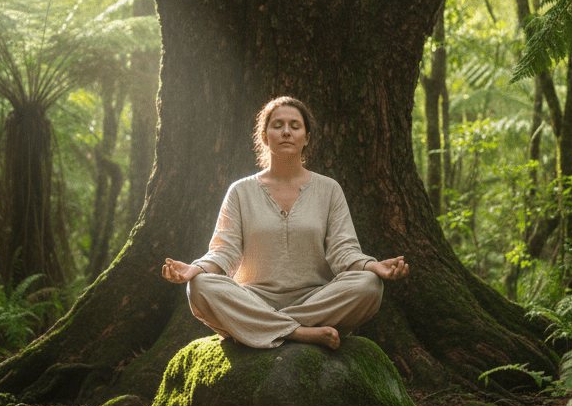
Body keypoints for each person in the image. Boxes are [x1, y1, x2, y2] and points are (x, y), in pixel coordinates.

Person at [161, 96, 408, 349]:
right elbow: (225, 251)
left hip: (315, 299)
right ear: (265, 136)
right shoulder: (240, 191)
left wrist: (373, 266)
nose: (286, 132)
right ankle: (300, 333)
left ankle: (259, 327)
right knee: (200, 286)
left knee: (369, 285)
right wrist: (195, 269)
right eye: (277, 125)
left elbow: (343, 250)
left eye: (295, 126)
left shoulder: (329, 189)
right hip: (253, 298)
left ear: (306, 138)